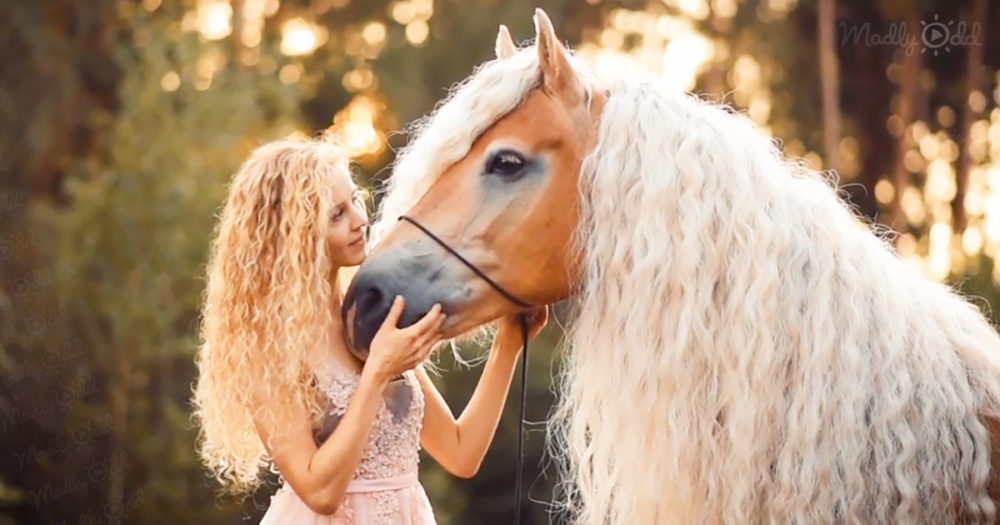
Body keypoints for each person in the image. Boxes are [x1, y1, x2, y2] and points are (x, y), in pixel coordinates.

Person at [191, 135, 547, 524]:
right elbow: (319, 492)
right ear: (295, 237)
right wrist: (376, 372)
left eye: (355, 200)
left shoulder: (367, 316)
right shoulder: (266, 346)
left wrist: (508, 346)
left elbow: (461, 453)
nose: (361, 219)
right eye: (337, 215)